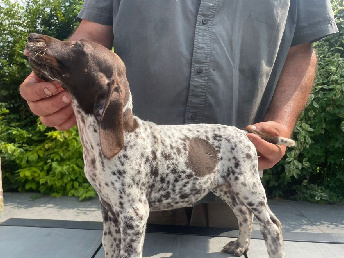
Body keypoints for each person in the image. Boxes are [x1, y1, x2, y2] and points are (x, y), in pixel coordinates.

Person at [20, 0, 338, 226]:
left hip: (231, 177)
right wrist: (54, 68)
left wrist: (282, 122)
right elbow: (90, 36)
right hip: (134, 174)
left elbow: (301, 50)